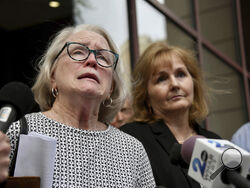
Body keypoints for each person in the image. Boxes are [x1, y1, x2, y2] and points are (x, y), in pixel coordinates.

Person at [0, 24, 156, 187]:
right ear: (52, 75)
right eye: (78, 52)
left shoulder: (132, 150)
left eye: (103, 58)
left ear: (110, 88)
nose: (92, 61)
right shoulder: (17, 133)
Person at [120, 41, 220, 187]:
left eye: (180, 74)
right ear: (146, 95)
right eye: (162, 79)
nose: (174, 84)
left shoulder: (215, 141)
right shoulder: (132, 138)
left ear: (194, 83)